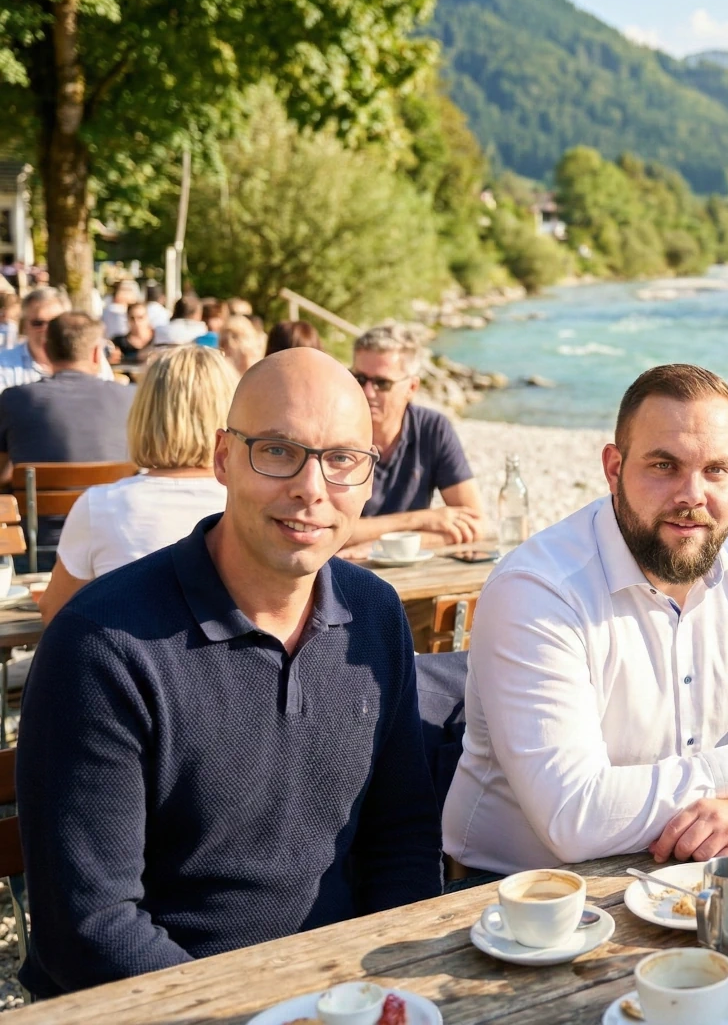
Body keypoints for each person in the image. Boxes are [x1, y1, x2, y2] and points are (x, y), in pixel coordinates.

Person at [16, 348, 442, 997]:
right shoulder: (102, 645)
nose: (312, 488)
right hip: (156, 1006)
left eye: (343, 460)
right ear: (221, 458)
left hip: (337, 995)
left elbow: (402, 835)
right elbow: (90, 929)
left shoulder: (375, 613)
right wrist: (255, 1011)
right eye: (277, 450)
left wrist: (383, 988)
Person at [443, 364, 728, 877]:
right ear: (613, 468)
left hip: (694, 880)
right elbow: (573, 816)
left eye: (714, 470)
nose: (692, 495)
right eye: (664, 466)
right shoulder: (537, 592)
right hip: (514, 897)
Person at [37, 346, 236, 623]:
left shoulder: (100, 507)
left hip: (126, 661)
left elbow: (54, 613)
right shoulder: (247, 504)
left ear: (144, 411)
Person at [0, 314, 135, 570]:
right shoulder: (130, 399)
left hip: (35, 546)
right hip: (115, 545)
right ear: (97, 353)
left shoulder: (14, 400)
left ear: (47, 350)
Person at [341, 323, 483, 552]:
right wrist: (420, 520)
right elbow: (327, 530)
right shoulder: (335, 431)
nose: (367, 391)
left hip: (403, 569)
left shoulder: (433, 428)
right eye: (359, 379)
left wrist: (375, 546)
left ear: (412, 387)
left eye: (382, 383)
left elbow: (474, 523)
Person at [0, 287, 114, 389]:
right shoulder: (3, 364)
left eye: (55, 323)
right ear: (24, 326)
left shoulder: (92, 360)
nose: (47, 329)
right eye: (38, 323)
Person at [111, 300, 157, 365]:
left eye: (140, 317)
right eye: (132, 318)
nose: (136, 322)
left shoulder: (158, 338)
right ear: (127, 319)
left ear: (147, 318)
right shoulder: (119, 342)